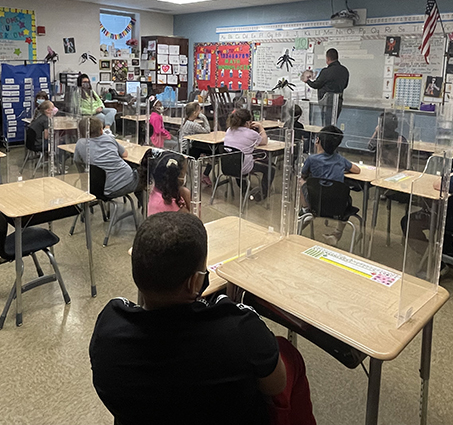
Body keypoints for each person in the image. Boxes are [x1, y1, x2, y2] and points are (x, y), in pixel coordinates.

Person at [90, 212, 316, 425]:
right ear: (194, 283)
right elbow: (277, 386)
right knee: (288, 353)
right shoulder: (241, 329)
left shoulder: (107, 329)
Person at [301, 125, 361, 246]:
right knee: (347, 199)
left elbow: (303, 174)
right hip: (337, 207)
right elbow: (357, 170)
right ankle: (336, 234)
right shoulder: (340, 159)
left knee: (301, 182)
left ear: (317, 141)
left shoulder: (311, 159)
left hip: (315, 204)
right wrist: (341, 170)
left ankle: (305, 211)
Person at [74, 117, 139, 198]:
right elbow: (125, 154)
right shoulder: (109, 139)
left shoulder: (80, 144)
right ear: (101, 130)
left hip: (98, 188)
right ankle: (145, 207)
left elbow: (77, 161)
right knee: (143, 174)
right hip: (125, 182)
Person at [223, 108, 271, 202]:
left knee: (237, 159)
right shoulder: (252, 134)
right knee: (271, 168)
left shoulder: (229, 130)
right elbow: (264, 141)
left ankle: (244, 189)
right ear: (248, 122)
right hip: (242, 167)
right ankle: (262, 194)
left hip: (227, 166)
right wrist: (260, 127)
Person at [302, 48, 349, 124]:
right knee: (333, 123)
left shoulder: (326, 71)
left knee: (326, 125)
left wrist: (307, 81)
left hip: (327, 103)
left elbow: (316, 85)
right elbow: (345, 85)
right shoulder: (344, 70)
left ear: (327, 59)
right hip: (338, 102)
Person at [142, 150, 191, 215]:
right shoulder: (170, 203)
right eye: (184, 173)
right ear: (175, 178)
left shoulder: (156, 190)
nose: (185, 176)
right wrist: (187, 196)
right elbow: (194, 220)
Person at [179, 101, 212, 186]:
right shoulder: (192, 124)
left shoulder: (186, 122)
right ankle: (205, 174)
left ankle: (204, 173)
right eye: (199, 110)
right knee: (213, 153)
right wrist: (204, 118)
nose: (200, 112)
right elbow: (207, 130)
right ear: (194, 113)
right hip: (188, 151)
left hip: (186, 148)